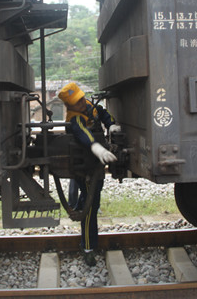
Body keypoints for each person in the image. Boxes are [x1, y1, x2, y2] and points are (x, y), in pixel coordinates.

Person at [58, 82, 120, 266]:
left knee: (92, 200)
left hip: (94, 165)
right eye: (77, 102)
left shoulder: (87, 106)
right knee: (91, 207)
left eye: (81, 98)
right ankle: (87, 247)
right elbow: (82, 133)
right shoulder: (74, 118)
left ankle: (79, 207)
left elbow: (102, 112)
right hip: (84, 168)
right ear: (69, 106)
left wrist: (111, 124)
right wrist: (96, 147)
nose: (82, 103)